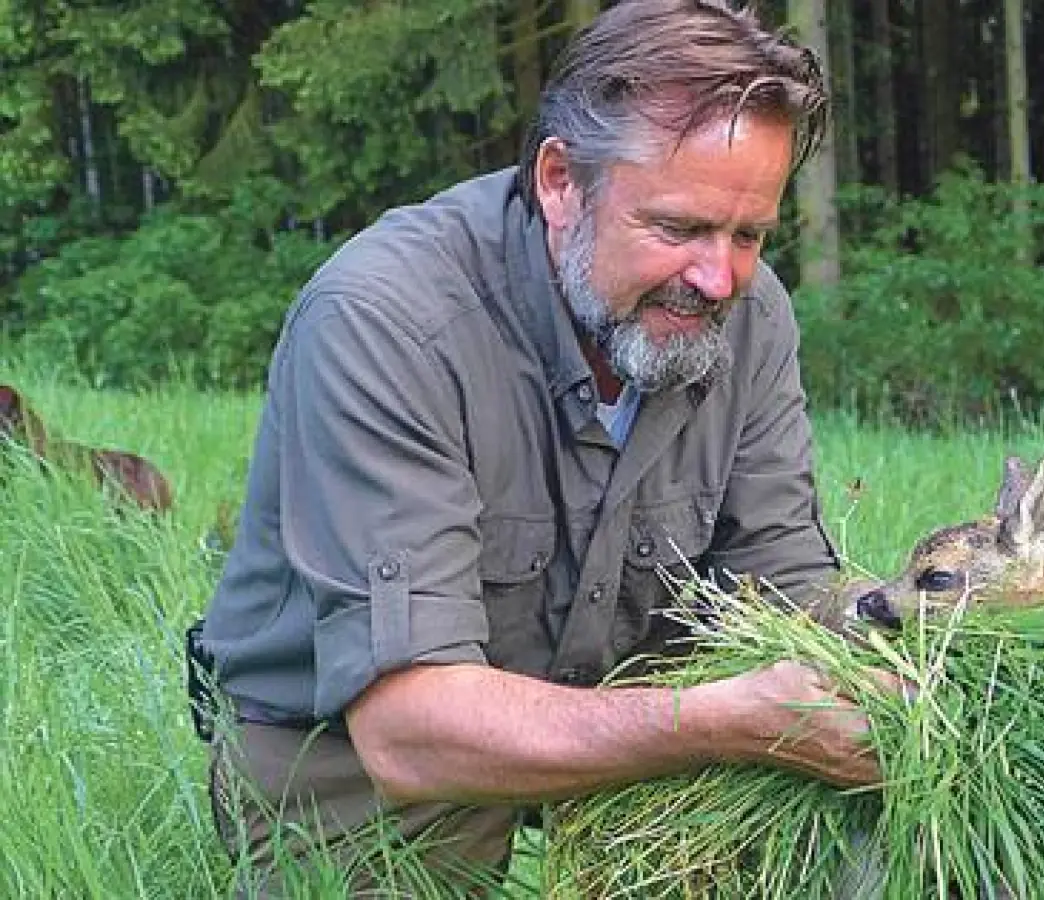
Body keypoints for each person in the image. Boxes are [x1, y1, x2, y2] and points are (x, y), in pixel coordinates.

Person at [192, 1, 879, 892]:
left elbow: (786, 591)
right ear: (562, 182)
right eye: (677, 229)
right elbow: (409, 728)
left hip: (645, 731)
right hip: (359, 761)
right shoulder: (388, 320)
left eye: (748, 235)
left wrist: (960, 625)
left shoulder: (751, 315)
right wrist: (722, 721)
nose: (719, 278)